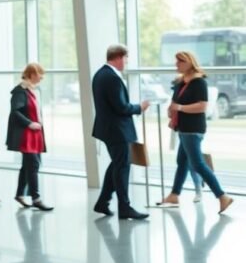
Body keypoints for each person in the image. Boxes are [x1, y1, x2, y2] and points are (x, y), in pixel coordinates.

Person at [158, 51, 234, 214]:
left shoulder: (199, 82)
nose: (176, 65)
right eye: (176, 62)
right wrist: (171, 110)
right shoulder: (180, 82)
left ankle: (222, 196)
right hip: (183, 128)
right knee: (182, 162)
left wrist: (179, 108)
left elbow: (202, 106)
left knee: (197, 164)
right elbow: (175, 101)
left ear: (189, 63)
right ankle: (174, 195)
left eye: (179, 62)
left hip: (193, 129)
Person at [92, 44, 150, 220]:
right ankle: (124, 207)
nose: (126, 62)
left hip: (109, 129)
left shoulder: (100, 74)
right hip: (117, 131)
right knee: (122, 167)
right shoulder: (111, 78)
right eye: (126, 58)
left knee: (117, 165)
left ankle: (103, 202)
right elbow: (122, 107)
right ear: (118, 57)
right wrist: (139, 107)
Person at [6, 63, 53, 211]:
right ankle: (36, 198)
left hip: (34, 135)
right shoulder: (20, 91)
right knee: (33, 165)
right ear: (32, 74)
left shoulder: (32, 90)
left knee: (28, 165)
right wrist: (29, 123)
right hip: (27, 135)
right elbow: (15, 112)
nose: (42, 77)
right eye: (40, 74)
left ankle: (20, 194)